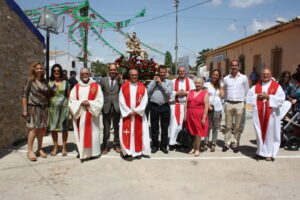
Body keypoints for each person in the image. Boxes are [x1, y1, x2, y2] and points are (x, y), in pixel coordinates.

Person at [246, 68, 286, 161]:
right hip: (259, 113)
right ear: (261, 75)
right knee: (259, 132)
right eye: (264, 74)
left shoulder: (276, 86)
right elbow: (248, 97)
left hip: (272, 114)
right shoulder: (256, 86)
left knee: (270, 133)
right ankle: (260, 152)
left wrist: (269, 97)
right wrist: (257, 96)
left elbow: (281, 99)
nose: (265, 75)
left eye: (267, 74)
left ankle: (270, 153)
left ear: (271, 75)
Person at [68, 68, 104, 161]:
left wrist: (90, 104)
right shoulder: (76, 87)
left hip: (92, 114)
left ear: (90, 74)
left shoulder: (96, 86)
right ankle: (82, 152)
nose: (85, 75)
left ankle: (94, 153)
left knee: (94, 134)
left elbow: (100, 100)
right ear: (80, 75)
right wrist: (80, 103)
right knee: (82, 134)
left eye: (86, 73)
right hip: (81, 113)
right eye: (83, 73)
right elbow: (71, 100)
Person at [119, 69, 150, 160]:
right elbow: (121, 101)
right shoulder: (124, 87)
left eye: (136, 75)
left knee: (139, 133)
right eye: (132, 75)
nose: (134, 76)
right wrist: (128, 111)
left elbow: (145, 100)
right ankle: (127, 152)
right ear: (129, 75)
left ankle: (137, 152)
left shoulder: (142, 87)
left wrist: (137, 111)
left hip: (138, 115)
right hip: (127, 115)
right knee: (128, 133)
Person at [22, 62, 49, 161]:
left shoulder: (45, 81)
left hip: (44, 108)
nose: (39, 70)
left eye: (41, 68)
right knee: (33, 130)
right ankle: (30, 151)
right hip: (33, 108)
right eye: (37, 68)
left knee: (41, 129)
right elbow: (24, 96)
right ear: (34, 69)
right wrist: (25, 110)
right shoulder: (29, 80)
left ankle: (40, 149)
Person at [223, 60, 249, 153]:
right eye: (232, 65)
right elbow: (224, 91)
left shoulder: (244, 78)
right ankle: (226, 143)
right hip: (229, 103)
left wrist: (245, 104)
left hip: (239, 104)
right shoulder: (226, 78)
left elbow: (247, 91)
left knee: (238, 126)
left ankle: (235, 143)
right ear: (230, 67)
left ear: (238, 67)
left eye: (236, 65)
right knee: (228, 125)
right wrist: (225, 102)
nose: (234, 67)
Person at [147, 65, 172, 154]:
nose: (162, 74)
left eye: (164, 72)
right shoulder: (153, 82)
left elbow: (169, 93)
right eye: (160, 72)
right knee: (154, 128)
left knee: (164, 128)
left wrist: (161, 84)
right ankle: (155, 145)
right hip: (154, 106)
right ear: (158, 72)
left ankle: (164, 146)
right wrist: (154, 82)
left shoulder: (169, 82)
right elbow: (148, 92)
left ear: (166, 73)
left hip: (165, 106)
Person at [169, 66, 195, 150]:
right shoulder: (173, 81)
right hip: (176, 105)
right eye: (180, 71)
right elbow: (169, 92)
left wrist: (186, 93)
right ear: (178, 72)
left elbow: (194, 92)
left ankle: (184, 143)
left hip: (187, 106)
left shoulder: (190, 81)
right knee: (174, 124)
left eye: (183, 71)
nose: (182, 73)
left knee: (185, 124)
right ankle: (172, 143)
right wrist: (177, 93)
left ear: (186, 72)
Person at [100, 63, 123, 154]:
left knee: (117, 127)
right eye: (111, 70)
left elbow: (123, 88)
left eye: (114, 70)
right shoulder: (103, 80)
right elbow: (99, 93)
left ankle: (116, 145)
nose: (113, 71)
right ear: (108, 71)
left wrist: (120, 80)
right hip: (106, 106)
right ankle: (105, 146)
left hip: (117, 107)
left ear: (116, 70)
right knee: (106, 127)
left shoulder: (120, 80)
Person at [48, 64, 70, 156]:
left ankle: (64, 147)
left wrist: (69, 107)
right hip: (53, 108)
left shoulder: (66, 83)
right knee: (54, 129)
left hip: (64, 108)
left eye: (58, 70)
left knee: (64, 129)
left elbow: (69, 96)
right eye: (54, 71)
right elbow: (49, 96)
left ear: (60, 72)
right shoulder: (49, 83)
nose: (56, 72)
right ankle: (56, 147)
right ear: (52, 72)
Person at [184, 77, 209, 156]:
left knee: (198, 133)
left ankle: (197, 149)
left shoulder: (205, 93)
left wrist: (204, 118)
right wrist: (185, 115)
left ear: (202, 84)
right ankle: (193, 148)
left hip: (199, 115)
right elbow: (186, 104)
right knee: (193, 132)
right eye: (196, 83)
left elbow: (206, 106)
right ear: (194, 83)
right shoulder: (191, 92)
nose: (198, 84)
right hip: (190, 114)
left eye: (199, 83)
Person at [203, 69, 225, 152]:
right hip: (208, 107)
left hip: (217, 108)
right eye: (214, 74)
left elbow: (222, 95)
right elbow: (204, 96)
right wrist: (207, 105)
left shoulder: (220, 85)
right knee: (208, 126)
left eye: (217, 75)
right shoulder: (206, 84)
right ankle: (206, 142)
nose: (215, 76)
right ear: (211, 75)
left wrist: (221, 85)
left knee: (216, 127)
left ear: (219, 77)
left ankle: (213, 143)